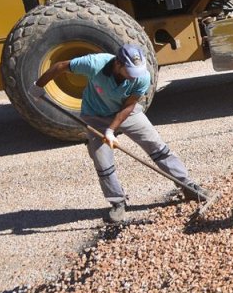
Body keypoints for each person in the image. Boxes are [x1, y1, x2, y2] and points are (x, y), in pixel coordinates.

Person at [31, 45, 210, 223]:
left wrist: (111, 130)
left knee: (156, 146)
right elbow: (60, 66)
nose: (134, 75)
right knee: (103, 162)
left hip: (127, 112)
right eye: (129, 71)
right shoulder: (95, 64)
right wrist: (38, 87)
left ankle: (187, 185)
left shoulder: (142, 76)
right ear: (118, 63)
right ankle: (117, 203)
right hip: (95, 115)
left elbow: (129, 106)